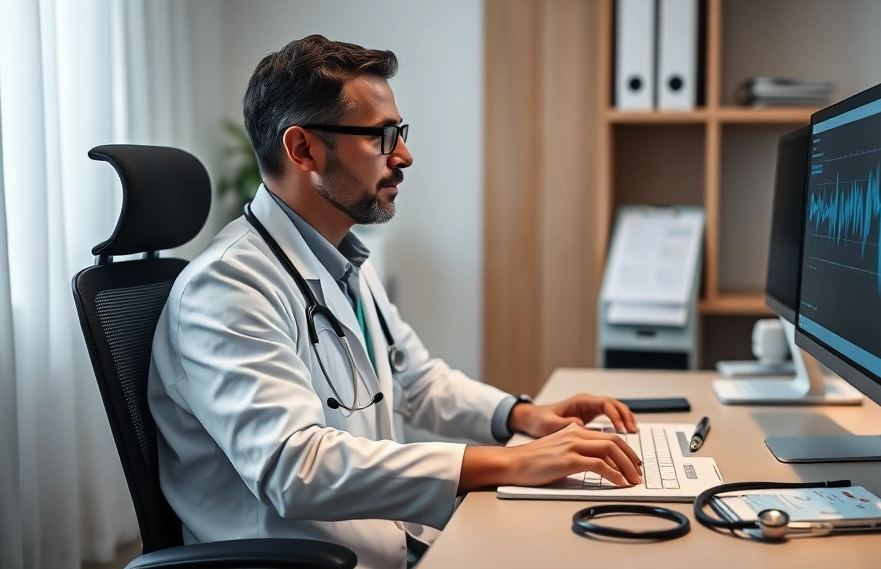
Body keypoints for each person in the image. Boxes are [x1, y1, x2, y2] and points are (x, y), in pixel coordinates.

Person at [148, 35, 642, 569]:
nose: (403, 155)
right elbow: (296, 468)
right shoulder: (225, 288)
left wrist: (524, 415)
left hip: (385, 544)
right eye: (382, 137)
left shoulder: (341, 257)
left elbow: (415, 379)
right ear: (303, 149)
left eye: (399, 133)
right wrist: (506, 463)